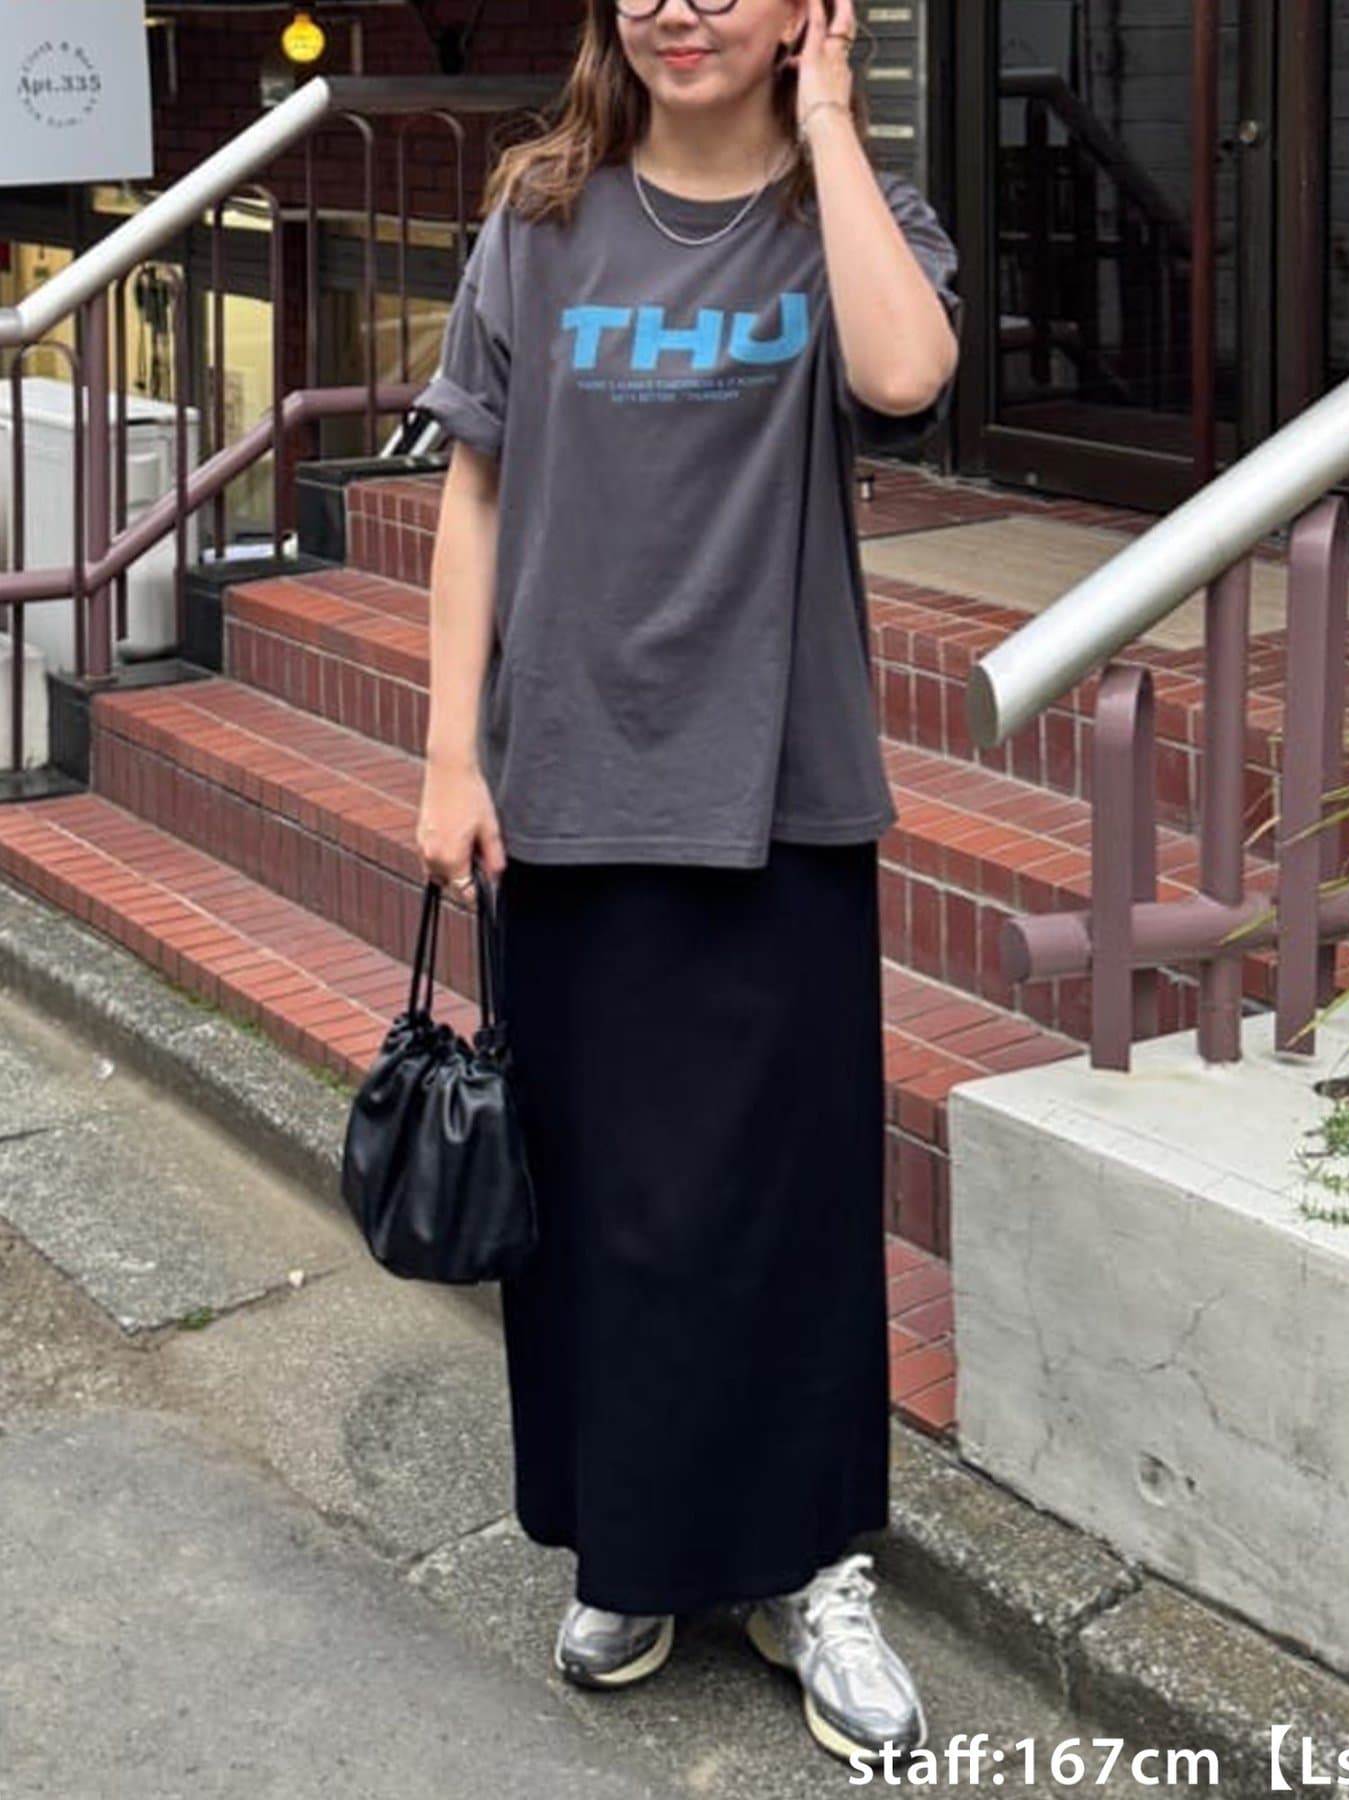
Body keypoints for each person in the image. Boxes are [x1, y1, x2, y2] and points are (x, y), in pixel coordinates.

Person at [412, 0, 961, 1766]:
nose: (680, 7)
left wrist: (832, 124)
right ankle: (633, 1553)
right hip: (567, 782)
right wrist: (446, 754)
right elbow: (475, 494)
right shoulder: (541, 214)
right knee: (600, 1208)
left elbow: (905, 376)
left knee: (785, 1209)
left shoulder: (848, 214)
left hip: (779, 792)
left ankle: (810, 1568)